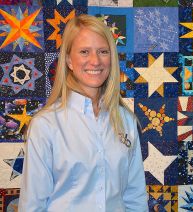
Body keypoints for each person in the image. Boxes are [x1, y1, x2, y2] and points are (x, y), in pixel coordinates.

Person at [18, 14, 148, 211]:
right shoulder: (45, 125)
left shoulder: (126, 121)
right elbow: (33, 205)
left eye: (103, 51)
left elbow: (135, 198)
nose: (95, 61)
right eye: (85, 52)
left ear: (111, 58)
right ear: (69, 60)